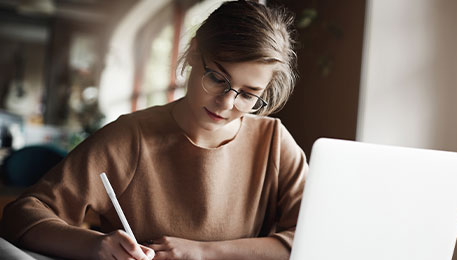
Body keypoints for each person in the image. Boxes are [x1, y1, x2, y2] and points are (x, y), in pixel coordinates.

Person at [0, 0, 307, 259]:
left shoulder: (275, 143)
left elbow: (309, 238)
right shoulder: (130, 137)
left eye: (249, 94)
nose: (227, 103)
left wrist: (203, 251)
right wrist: (96, 245)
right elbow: (22, 215)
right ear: (192, 52)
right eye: (216, 78)